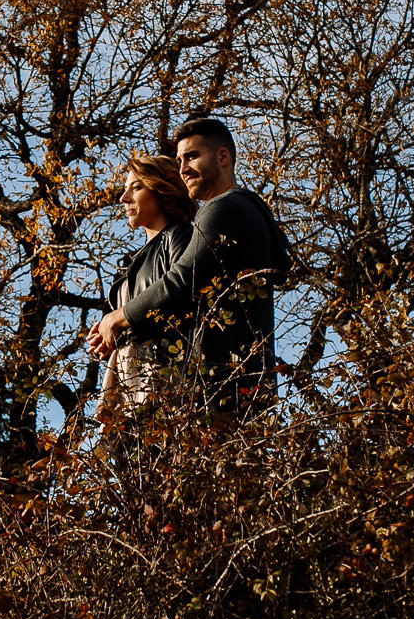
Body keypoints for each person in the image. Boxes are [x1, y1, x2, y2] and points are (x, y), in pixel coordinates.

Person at [87, 118, 291, 407]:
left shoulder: (223, 207)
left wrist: (118, 318)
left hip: (221, 383)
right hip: (238, 382)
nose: (183, 168)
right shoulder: (239, 210)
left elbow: (182, 281)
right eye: (180, 159)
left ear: (223, 157)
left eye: (192, 156)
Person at [97, 154, 197, 418]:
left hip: (161, 376)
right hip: (124, 379)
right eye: (125, 188)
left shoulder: (181, 236)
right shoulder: (131, 262)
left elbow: (181, 294)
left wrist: (122, 319)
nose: (123, 198)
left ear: (162, 189)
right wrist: (107, 332)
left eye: (136, 187)